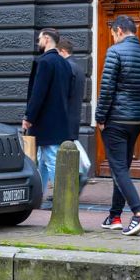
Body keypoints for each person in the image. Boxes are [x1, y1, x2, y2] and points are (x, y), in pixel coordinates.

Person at [96, 15, 140, 236]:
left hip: (116, 119)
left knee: (118, 168)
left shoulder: (115, 52)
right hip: (137, 120)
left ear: (119, 31)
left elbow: (107, 88)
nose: (113, 38)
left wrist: (100, 117)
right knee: (122, 167)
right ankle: (114, 216)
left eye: (113, 34)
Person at [23, 28, 73, 207]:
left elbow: (38, 93)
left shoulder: (44, 62)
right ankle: (37, 197)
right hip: (60, 119)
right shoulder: (64, 63)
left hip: (45, 121)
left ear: (46, 39)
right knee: (43, 161)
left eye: (39, 39)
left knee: (50, 160)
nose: (38, 43)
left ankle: (63, 202)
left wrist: (29, 116)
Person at [56, 37, 89, 193]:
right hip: (74, 115)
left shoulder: (65, 68)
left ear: (62, 51)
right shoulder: (78, 68)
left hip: (63, 117)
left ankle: (77, 176)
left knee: (59, 154)